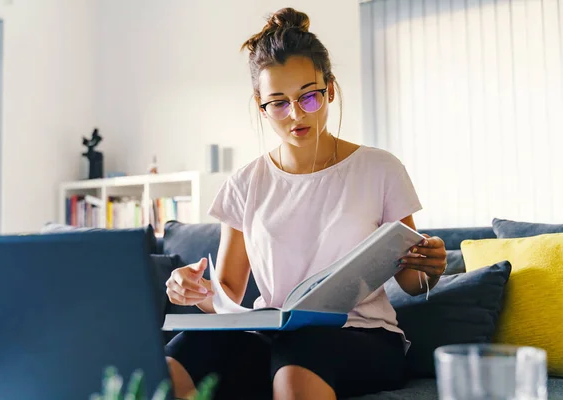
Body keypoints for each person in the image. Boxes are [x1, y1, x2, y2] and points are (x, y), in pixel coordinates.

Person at [164, 7, 447, 400]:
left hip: (363, 337)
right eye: (278, 103)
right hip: (274, 336)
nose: (296, 114)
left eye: (308, 97)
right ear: (260, 104)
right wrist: (190, 290)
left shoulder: (380, 168)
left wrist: (429, 267)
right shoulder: (245, 183)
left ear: (330, 89)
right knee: (180, 354)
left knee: (300, 354)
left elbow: (412, 282)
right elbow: (227, 291)